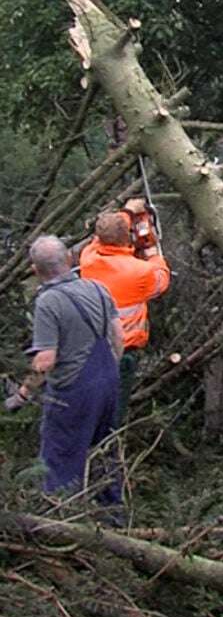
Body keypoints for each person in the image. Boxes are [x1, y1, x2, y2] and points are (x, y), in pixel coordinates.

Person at [6, 236, 125, 507]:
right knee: (104, 451)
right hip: (107, 382)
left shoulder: (48, 302)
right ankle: (113, 515)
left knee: (60, 458)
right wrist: (110, 371)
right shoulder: (98, 288)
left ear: (35, 270)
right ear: (70, 260)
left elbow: (45, 361)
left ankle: (60, 516)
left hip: (72, 389)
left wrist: (22, 394)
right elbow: (118, 336)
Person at [78, 201, 170, 423]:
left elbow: (106, 234)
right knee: (113, 410)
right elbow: (162, 279)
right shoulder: (140, 272)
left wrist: (129, 211)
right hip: (123, 351)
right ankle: (108, 450)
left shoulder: (88, 258)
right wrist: (152, 249)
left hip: (90, 349)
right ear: (126, 237)